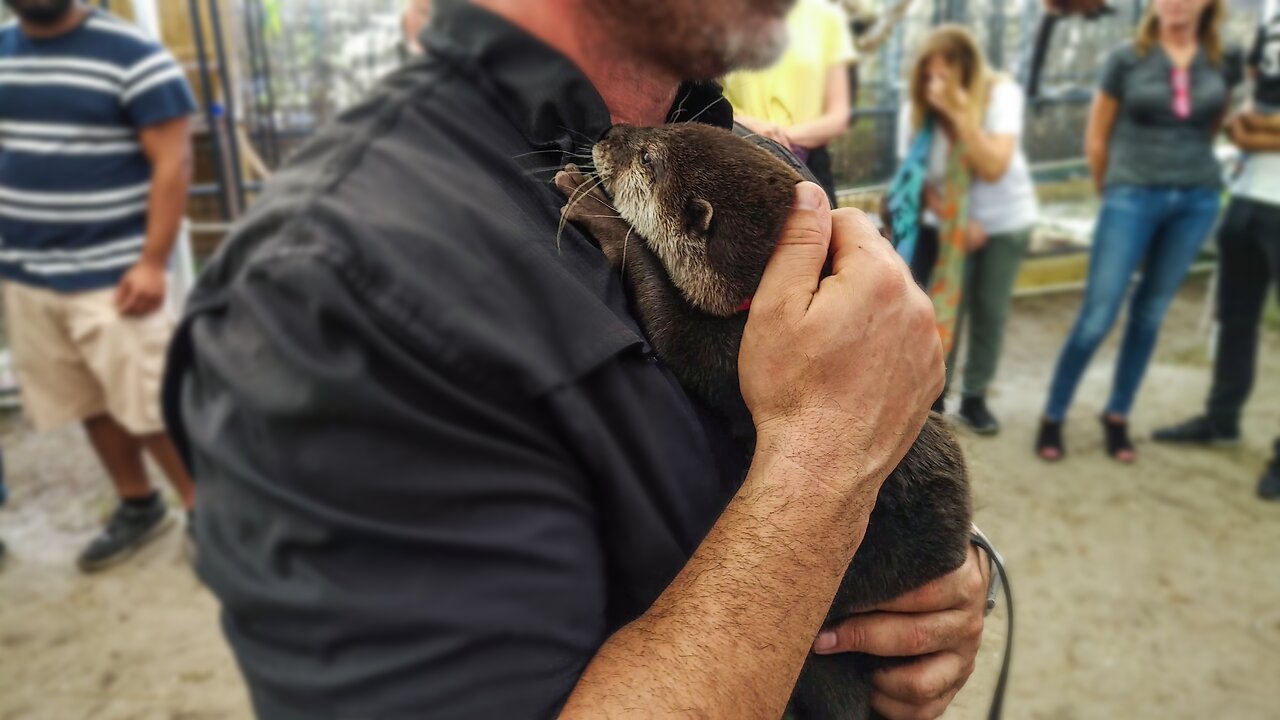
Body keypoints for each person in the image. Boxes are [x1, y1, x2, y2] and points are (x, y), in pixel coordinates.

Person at [162, 1, 996, 717]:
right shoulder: (317, 295)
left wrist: (943, 586)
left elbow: (884, 427)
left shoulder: (752, 157)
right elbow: (835, 439)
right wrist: (823, 465)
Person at [0, 0, 197, 570]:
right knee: (86, 398)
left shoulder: (134, 56)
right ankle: (139, 504)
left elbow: (174, 162)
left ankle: (207, 510)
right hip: (27, 271)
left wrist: (153, 263)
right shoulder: (5, 52)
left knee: (155, 403)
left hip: (113, 275)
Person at [1036, 0, 1239, 463]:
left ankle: (1118, 415)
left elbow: (1211, 126)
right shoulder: (1127, 58)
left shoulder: (1221, 60)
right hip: (1131, 197)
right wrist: (1116, 189)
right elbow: (1097, 136)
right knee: (1098, 315)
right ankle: (1054, 414)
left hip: (1196, 198)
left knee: (1149, 314)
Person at [1153, 11, 1280, 501]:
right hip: (1251, 192)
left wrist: (1258, 132)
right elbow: (1245, 106)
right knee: (1235, 318)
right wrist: (1246, 130)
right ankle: (1221, 418)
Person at [896, 26, 1039, 433]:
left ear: (969, 73)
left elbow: (994, 165)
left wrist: (962, 117)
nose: (937, 85)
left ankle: (975, 399)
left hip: (1004, 219)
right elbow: (919, 181)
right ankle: (933, 404)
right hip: (946, 224)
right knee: (940, 313)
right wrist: (955, 219)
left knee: (990, 310)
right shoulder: (916, 113)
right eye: (930, 76)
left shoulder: (1000, 97)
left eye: (948, 75)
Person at [722, 0, 857, 207]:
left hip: (808, 165)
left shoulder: (827, 18)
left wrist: (777, 140)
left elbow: (839, 116)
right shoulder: (720, 15)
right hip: (736, 162)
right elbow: (704, 99)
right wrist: (748, 126)